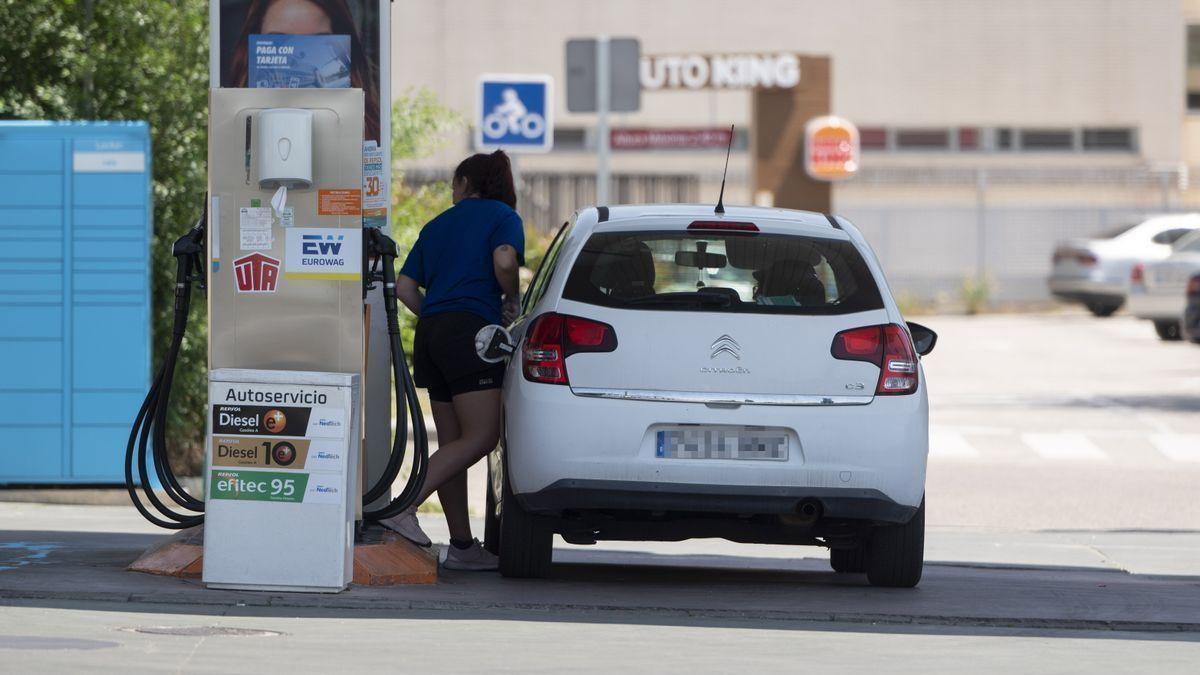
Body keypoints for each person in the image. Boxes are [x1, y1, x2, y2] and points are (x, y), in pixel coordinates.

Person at [381, 151, 524, 571]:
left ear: (465, 182)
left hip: (431, 333)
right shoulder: (503, 216)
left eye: (453, 183)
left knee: (454, 444)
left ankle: (461, 546)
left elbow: (405, 288)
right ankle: (402, 509)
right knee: (482, 437)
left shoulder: (438, 224)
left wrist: (439, 318)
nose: (451, 190)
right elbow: (504, 261)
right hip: (472, 333)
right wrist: (511, 297)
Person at [223, 0, 381, 143]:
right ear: (249, 56)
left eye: (319, 44)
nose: (298, 61)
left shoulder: (365, 139)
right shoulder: (233, 136)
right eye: (278, 43)